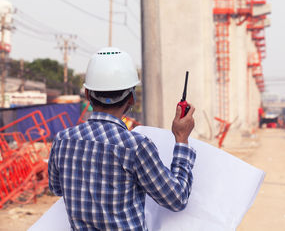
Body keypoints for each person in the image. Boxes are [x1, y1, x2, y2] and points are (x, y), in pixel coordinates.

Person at [48, 47, 196, 230]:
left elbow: (56, 188)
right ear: (132, 98)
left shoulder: (63, 140)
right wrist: (181, 138)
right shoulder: (136, 147)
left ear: (87, 95)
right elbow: (177, 199)